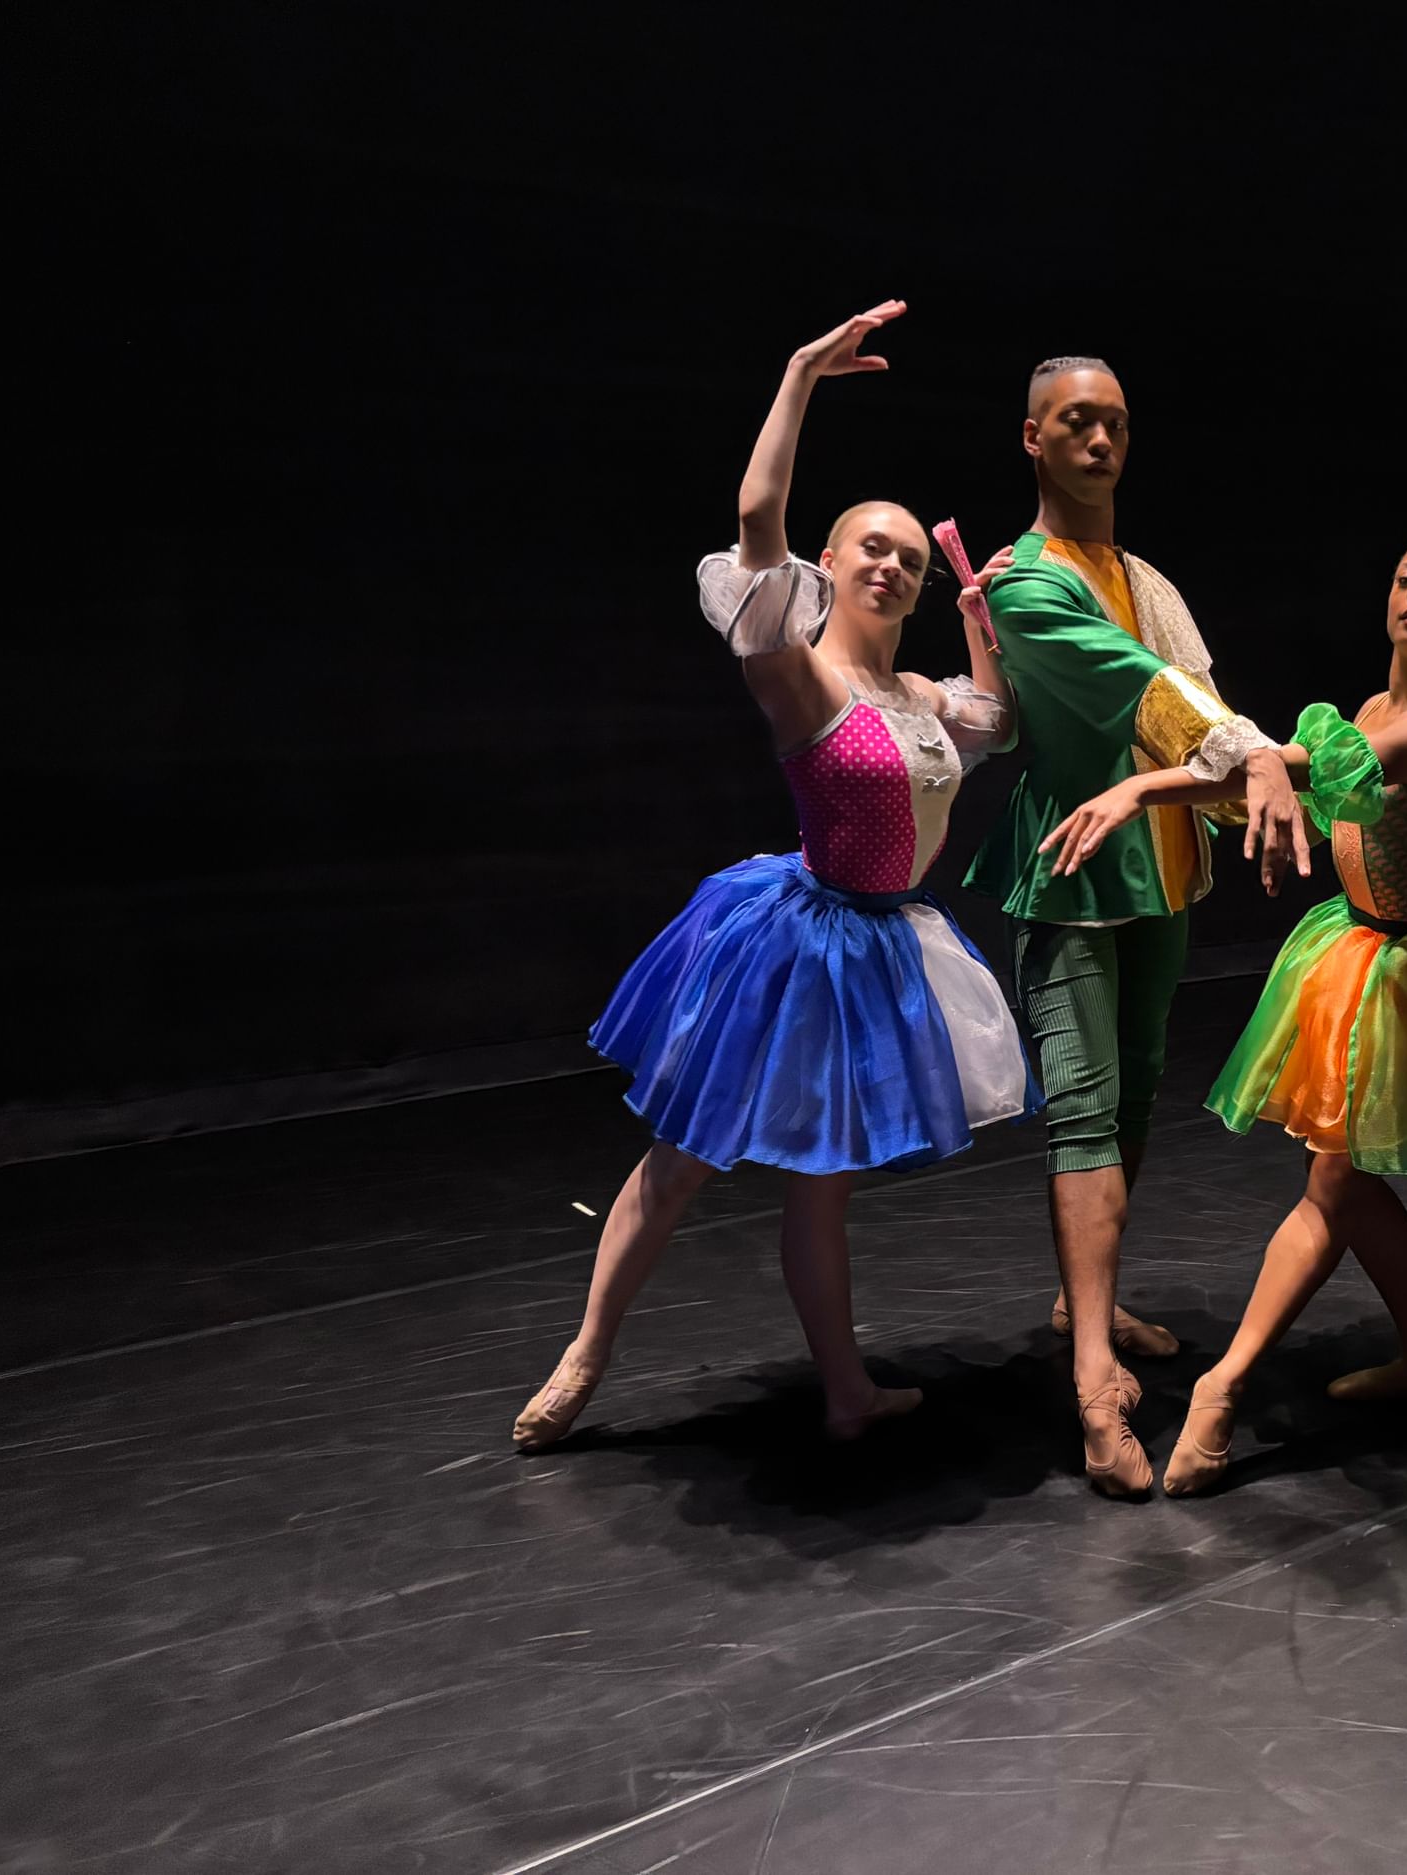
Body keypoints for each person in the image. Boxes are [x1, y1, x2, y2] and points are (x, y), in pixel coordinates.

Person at [512, 301, 1033, 1451]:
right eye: (872, 549)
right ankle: (586, 1352)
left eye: (908, 554)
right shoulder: (802, 678)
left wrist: (977, 613)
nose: (893, 565)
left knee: (825, 1181)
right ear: (832, 567)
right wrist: (801, 374)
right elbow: (755, 521)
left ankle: (846, 1389)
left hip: (884, 944)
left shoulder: (926, 701)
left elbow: (993, 719)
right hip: (793, 938)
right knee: (685, 1157)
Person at [1039, 537, 1407, 1495]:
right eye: (1406, 578)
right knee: (1342, 1178)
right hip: (1358, 952)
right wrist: (1299, 824)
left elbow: (1303, 765)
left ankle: (1223, 1387)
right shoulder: (1376, 706)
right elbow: (1324, 789)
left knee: (1331, 1186)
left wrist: (1146, 783)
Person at [961, 356, 1311, 1497]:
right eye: (1076, 422)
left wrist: (1253, 765)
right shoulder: (1026, 586)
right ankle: (1088, 1375)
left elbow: (1186, 684)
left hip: (1159, 872)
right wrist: (1254, 754)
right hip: (1072, 877)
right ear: (1032, 438)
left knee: (1128, 1096)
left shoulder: (1142, 574)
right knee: (1082, 1114)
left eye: (1112, 423)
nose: (1098, 440)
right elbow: (1143, 693)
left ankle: (1088, 1301)